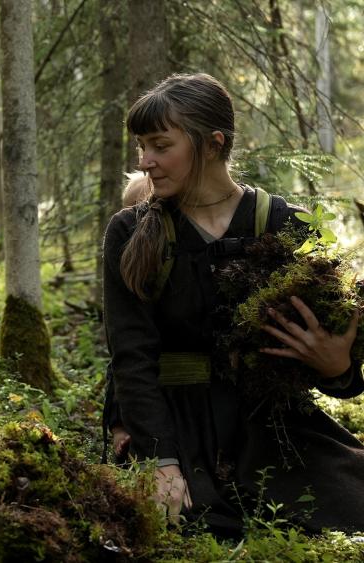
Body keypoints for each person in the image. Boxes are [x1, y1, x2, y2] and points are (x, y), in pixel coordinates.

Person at [102, 73, 364, 535]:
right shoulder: (129, 231)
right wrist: (160, 461)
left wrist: (337, 365)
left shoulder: (283, 223)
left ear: (212, 144)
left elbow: (337, 344)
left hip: (273, 428)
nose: (145, 162)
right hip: (177, 427)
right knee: (189, 525)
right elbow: (131, 356)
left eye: (161, 146)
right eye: (143, 146)